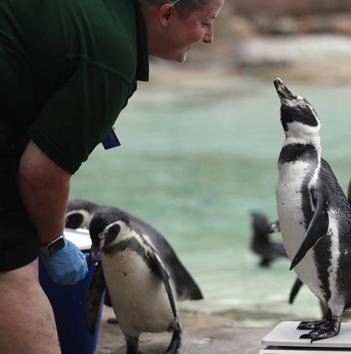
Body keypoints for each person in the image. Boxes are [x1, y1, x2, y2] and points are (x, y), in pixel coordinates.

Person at [0, 0, 223, 352]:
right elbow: (40, 174)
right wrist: (54, 243)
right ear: (166, 14)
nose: (210, 36)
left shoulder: (103, 16)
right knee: (13, 270)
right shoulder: (111, 56)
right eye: (207, 22)